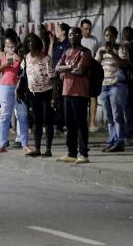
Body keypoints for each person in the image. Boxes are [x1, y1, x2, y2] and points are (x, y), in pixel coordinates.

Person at [55, 27, 93, 164]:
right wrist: (70, 67)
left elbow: (80, 70)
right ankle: (71, 152)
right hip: (67, 92)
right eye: (70, 34)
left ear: (80, 36)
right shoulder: (66, 52)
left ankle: (83, 153)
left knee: (80, 124)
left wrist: (66, 68)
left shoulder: (85, 52)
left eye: (76, 33)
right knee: (69, 124)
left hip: (80, 93)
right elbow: (57, 68)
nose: (73, 36)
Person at [0, 36, 31, 155]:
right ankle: (3, 144)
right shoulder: (1, 56)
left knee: (22, 115)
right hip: (5, 87)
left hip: (18, 87)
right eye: (8, 47)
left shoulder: (19, 57)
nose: (11, 49)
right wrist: (4, 65)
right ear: (4, 47)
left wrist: (17, 59)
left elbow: (25, 71)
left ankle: (24, 144)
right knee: (5, 115)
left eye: (13, 47)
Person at [96, 26, 129, 153]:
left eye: (111, 36)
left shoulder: (121, 48)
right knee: (108, 116)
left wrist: (112, 53)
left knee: (117, 114)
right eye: (106, 35)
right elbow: (95, 65)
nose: (108, 38)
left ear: (115, 36)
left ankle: (120, 141)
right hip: (104, 85)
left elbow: (124, 63)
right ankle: (112, 140)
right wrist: (99, 55)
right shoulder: (101, 49)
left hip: (116, 84)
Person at [23, 34, 56, 157]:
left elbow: (53, 79)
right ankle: (37, 148)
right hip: (33, 93)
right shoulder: (26, 58)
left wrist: (53, 97)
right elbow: (25, 75)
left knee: (48, 121)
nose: (30, 45)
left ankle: (48, 149)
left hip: (46, 92)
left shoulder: (46, 58)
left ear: (37, 43)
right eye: (28, 42)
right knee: (36, 121)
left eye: (32, 42)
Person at [80, 18, 102, 132]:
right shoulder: (78, 40)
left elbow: (97, 55)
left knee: (93, 96)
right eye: (85, 29)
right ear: (81, 29)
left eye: (89, 29)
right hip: (81, 71)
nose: (88, 31)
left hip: (92, 70)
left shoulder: (94, 40)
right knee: (82, 98)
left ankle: (92, 123)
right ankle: (82, 122)